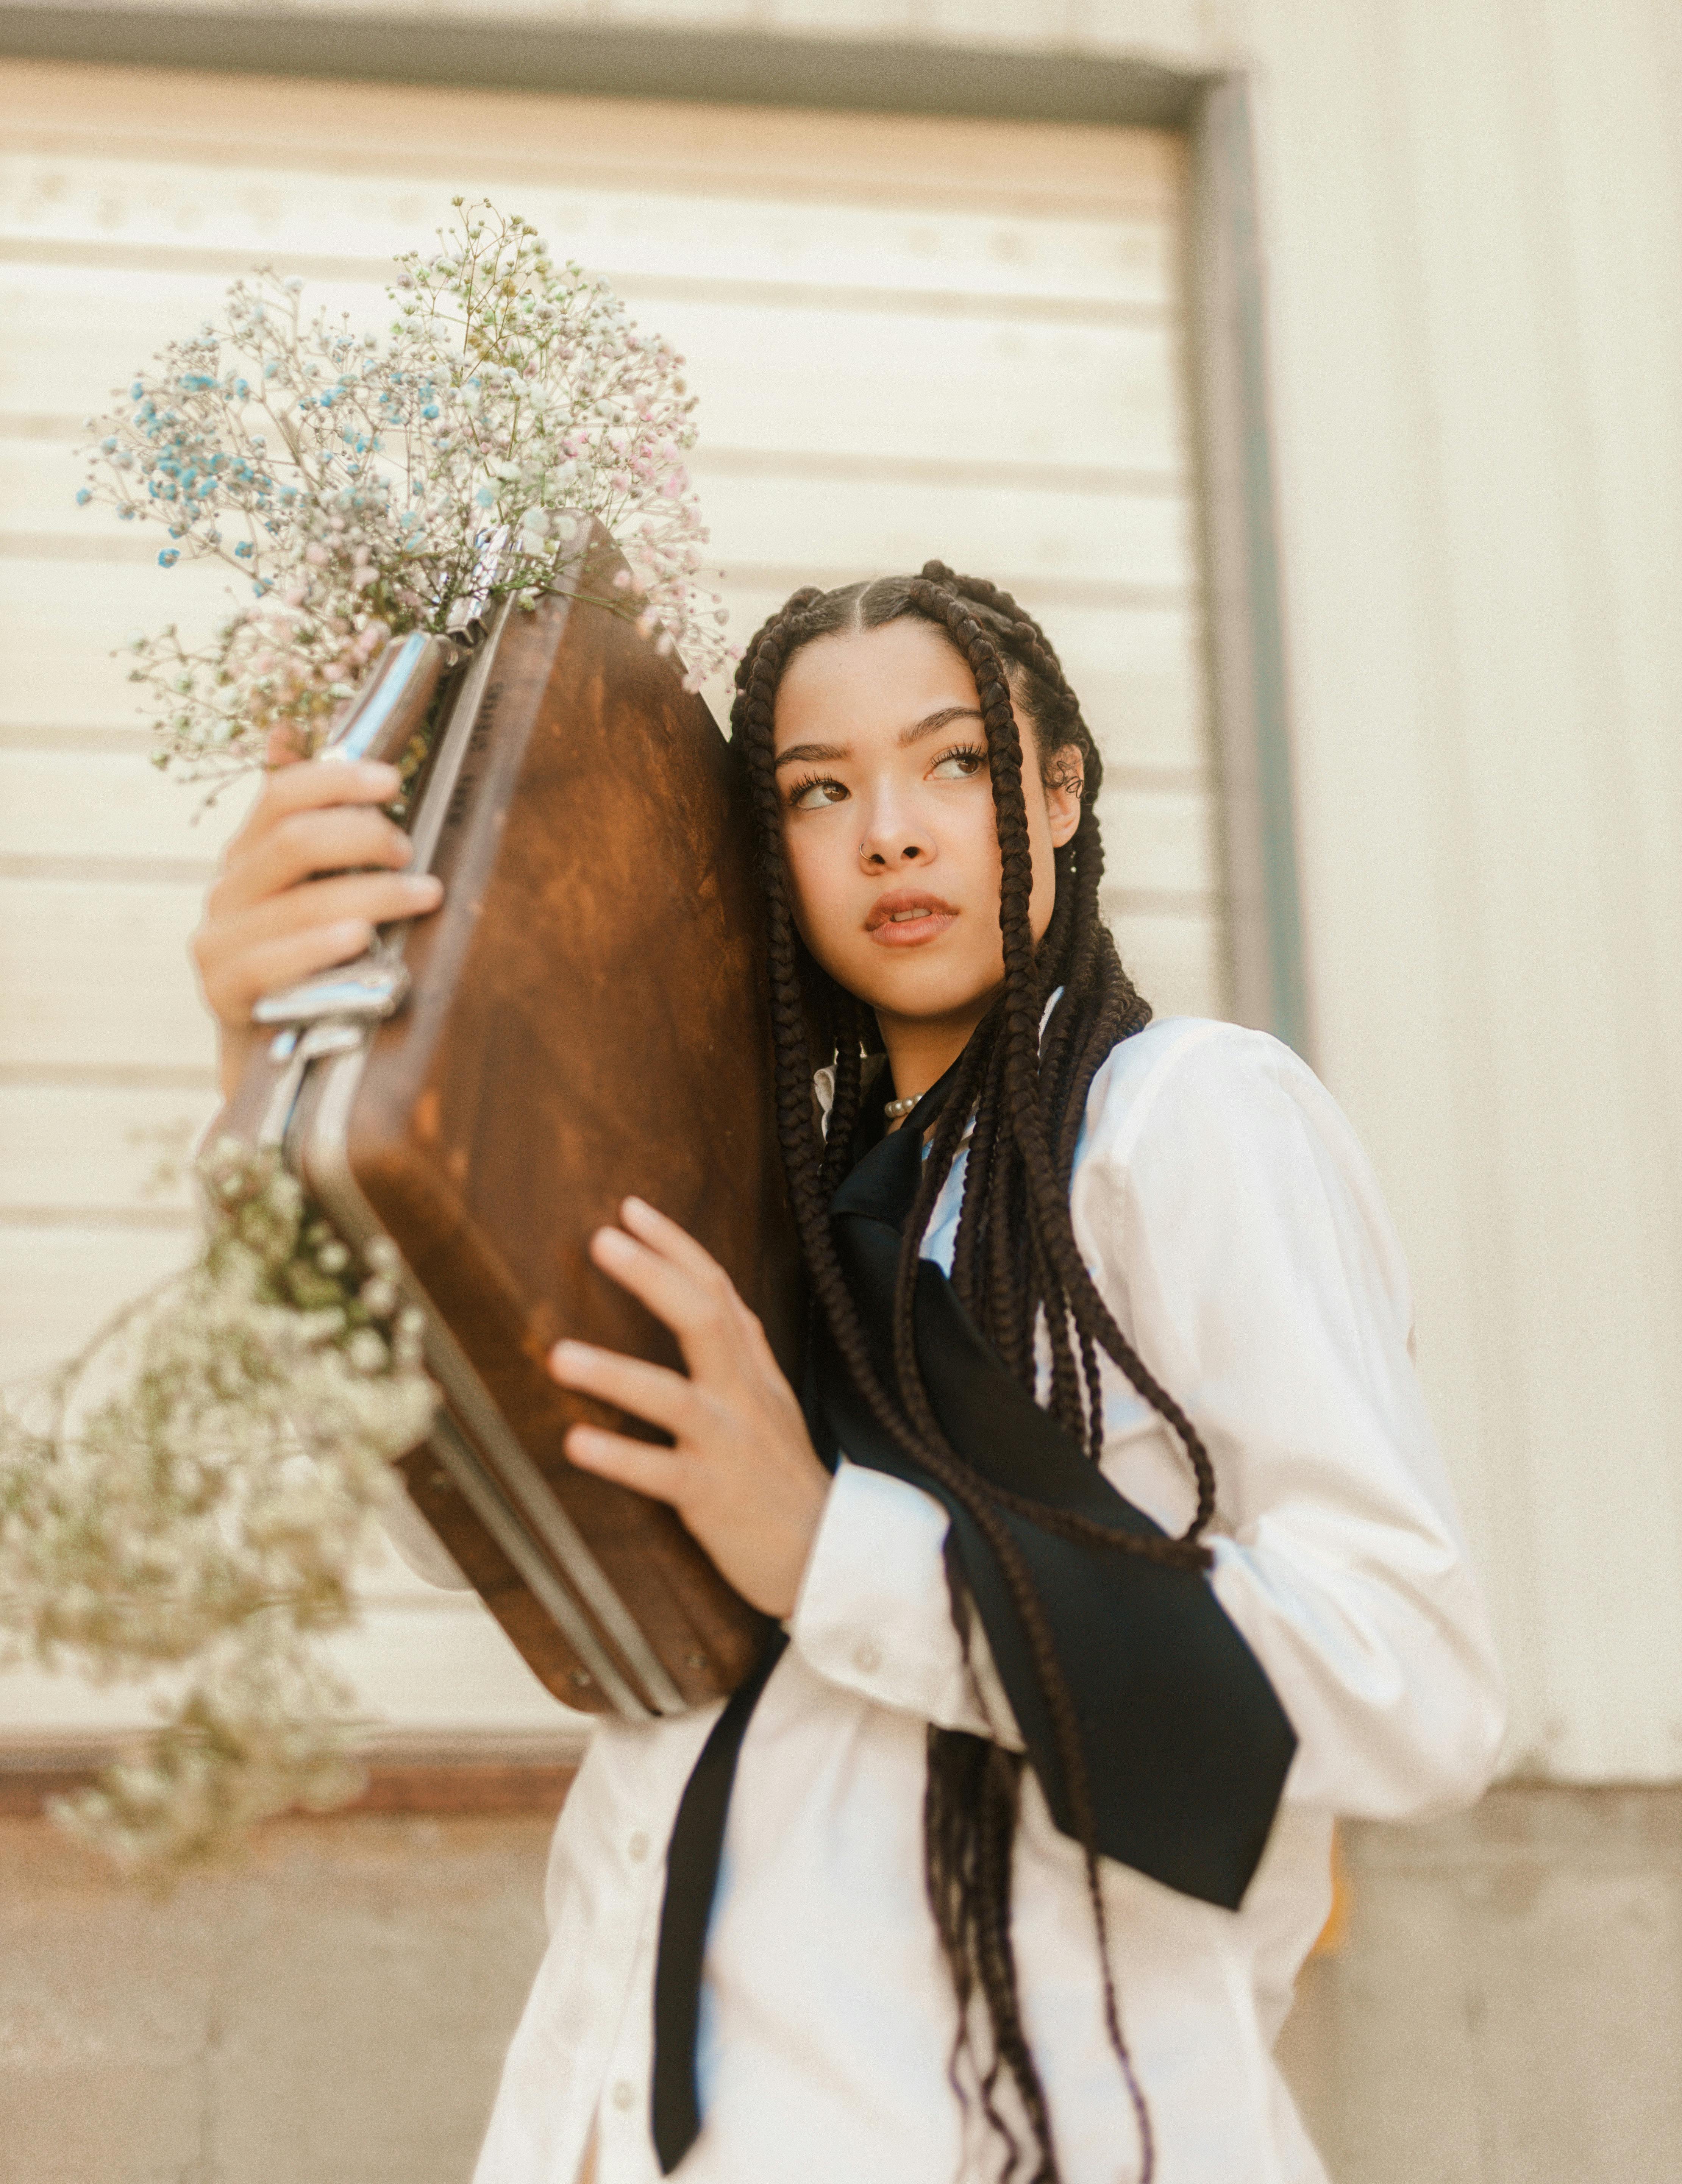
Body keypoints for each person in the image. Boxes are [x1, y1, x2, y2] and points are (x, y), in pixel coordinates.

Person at [194, 562, 1505, 2184]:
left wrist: (832, 1548)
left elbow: (1414, 1684)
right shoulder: (767, 1209)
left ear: (1059, 789)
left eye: (953, 762)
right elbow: (468, 1502)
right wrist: (287, 1070)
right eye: (819, 791)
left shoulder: (1184, 1120)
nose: (890, 829)